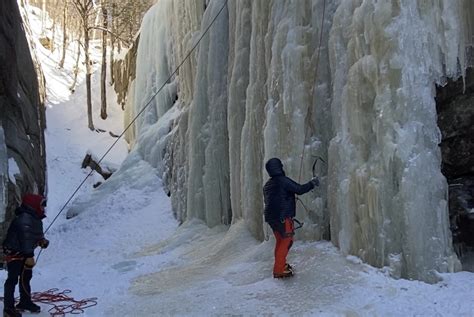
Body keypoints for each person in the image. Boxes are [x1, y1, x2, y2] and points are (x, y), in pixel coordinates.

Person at [263, 158, 319, 278]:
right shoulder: (283, 181)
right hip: (283, 217)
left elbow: (269, 201)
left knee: (280, 240)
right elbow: (299, 189)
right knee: (287, 241)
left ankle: (280, 265)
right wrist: (312, 183)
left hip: (271, 218)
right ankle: (279, 270)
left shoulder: (267, 185)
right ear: (279, 168)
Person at [2, 194, 49, 317]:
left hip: (25, 252)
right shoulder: (24, 219)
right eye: (42, 205)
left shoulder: (35, 218)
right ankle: (8, 308)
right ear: (33, 205)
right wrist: (29, 256)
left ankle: (25, 302)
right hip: (15, 252)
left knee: (25, 278)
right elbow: (25, 239)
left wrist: (41, 241)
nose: (43, 208)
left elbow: (34, 235)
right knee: (12, 279)